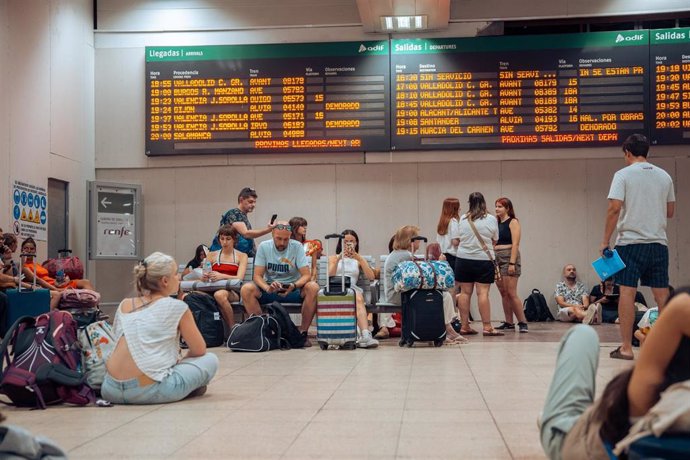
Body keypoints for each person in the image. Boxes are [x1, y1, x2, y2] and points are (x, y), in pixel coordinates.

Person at [540, 288, 690, 460]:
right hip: (602, 432)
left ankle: (554, 419)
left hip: (576, 443)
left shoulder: (652, 390)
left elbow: (680, 307)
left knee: (583, 334)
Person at [101, 252, 218, 405]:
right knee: (210, 360)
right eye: (175, 274)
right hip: (149, 390)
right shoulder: (177, 307)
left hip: (110, 389)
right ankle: (185, 387)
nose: (178, 278)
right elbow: (199, 350)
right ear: (165, 281)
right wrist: (179, 362)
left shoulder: (125, 304)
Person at [600, 133, 676, 361]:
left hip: (631, 243)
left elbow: (614, 208)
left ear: (627, 152)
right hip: (659, 243)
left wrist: (605, 240)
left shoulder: (623, 175)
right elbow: (670, 212)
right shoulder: (665, 176)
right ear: (647, 152)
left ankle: (625, 347)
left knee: (627, 291)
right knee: (662, 295)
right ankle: (668, 349)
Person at [381, 225, 466, 344]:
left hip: (398, 293)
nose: (419, 243)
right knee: (442, 296)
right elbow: (426, 276)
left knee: (439, 296)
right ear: (411, 240)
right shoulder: (405, 255)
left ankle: (445, 329)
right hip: (399, 296)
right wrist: (440, 263)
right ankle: (446, 329)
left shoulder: (397, 254)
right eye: (417, 240)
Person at [239, 221, 319, 346]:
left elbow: (306, 275)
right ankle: (264, 332)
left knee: (313, 287)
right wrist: (266, 287)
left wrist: (294, 285)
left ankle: (302, 333)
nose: (282, 243)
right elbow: (257, 276)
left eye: (286, 239)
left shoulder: (297, 246)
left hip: (293, 289)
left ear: (290, 236)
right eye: (279, 238)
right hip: (270, 289)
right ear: (272, 234)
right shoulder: (264, 247)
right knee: (246, 289)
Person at [453, 192, 501, 336]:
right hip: (483, 260)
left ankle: (464, 326)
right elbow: (495, 239)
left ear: (469, 203)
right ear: (484, 202)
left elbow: (458, 239)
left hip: (463, 259)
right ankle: (487, 327)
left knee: (465, 293)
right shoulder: (491, 219)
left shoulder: (463, 218)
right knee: (483, 293)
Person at [327, 229, 378, 348]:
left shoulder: (358, 259)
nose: (348, 244)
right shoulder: (333, 258)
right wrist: (339, 258)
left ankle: (366, 335)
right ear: (341, 243)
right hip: (336, 286)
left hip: (351, 287)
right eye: (346, 242)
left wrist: (359, 259)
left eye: (352, 241)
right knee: (356, 295)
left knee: (358, 297)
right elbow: (330, 276)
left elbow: (371, 277)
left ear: (356, 243)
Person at [19, 238, 89, 309]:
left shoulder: (37, 264)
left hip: (54, 284)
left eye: (32, 249)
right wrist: (56, 289)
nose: (29, 251)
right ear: (22, 250)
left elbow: (47, 278)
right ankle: (90, 307)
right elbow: (38, 280)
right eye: (26, 248)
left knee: (85, 282)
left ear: (35, 251)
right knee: (84, 284)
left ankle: (92, 309)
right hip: (48, 288)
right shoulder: (23, 266)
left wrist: (59, 282)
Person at [493, 197, 528, 333]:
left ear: (507, 208)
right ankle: (509, 322)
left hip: (508, 256)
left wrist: (512, 263)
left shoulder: (513, 222)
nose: (497, 209)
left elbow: (516, 244)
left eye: (500, 206)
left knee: (511, 292)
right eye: (496, 206)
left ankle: (522, 322)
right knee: (503, 292)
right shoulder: (495, 223)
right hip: (496, 257)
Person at [209, 187, 274, 257]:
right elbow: (246, 234)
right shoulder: (234, 213)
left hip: (238, 257)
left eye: (255, 202)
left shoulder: (242, 216)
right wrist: (268, 230)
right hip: (227, 259)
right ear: (241, 200)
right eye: (250, 202)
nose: (253, 205)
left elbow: (251, 239)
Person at [204, 225, 247, 329]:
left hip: (232, 291)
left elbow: (239, 278)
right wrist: (205, 276)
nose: (224, 242)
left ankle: (233, 328)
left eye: (228, 239)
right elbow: (205, 275)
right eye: (222, 239)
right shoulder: (211, 255)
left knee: (219, 295)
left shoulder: (241, 256)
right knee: (190, 296)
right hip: (211, 287)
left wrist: (221, 276)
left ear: (234, 240)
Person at [436, 197, 461, 291]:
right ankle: (453, 306)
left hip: (443, 256)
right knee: (454, 287)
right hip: (453, 257)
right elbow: (455, 242)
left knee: (446, 286)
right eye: (458, 207)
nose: (460, 209)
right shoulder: (453, 221)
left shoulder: (442, 222)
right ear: (454, 208)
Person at [289, 217, 322, 282]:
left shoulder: (312, 244)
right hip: (290, 279)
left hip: (307, 280)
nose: (305, 228)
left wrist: (312, 279)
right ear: (294, 227)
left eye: (305, 226)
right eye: (302, 226)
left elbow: (314, 267)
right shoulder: (287, 244)